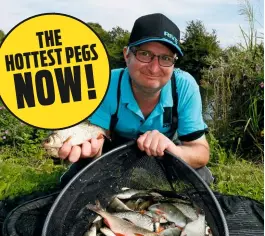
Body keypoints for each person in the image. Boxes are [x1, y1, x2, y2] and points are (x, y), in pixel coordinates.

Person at [59, 13, 213, 186]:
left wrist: (173, 150)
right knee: (74, 178)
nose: (154, 68)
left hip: (164, 149)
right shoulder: (106, 85)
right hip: (114, 148)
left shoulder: (184, 86)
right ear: (127, 55)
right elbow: (97, 142)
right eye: (145, 54)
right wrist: (92, 153)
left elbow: (200, 152)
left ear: (174, 63)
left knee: (201, 176)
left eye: (166, 58)